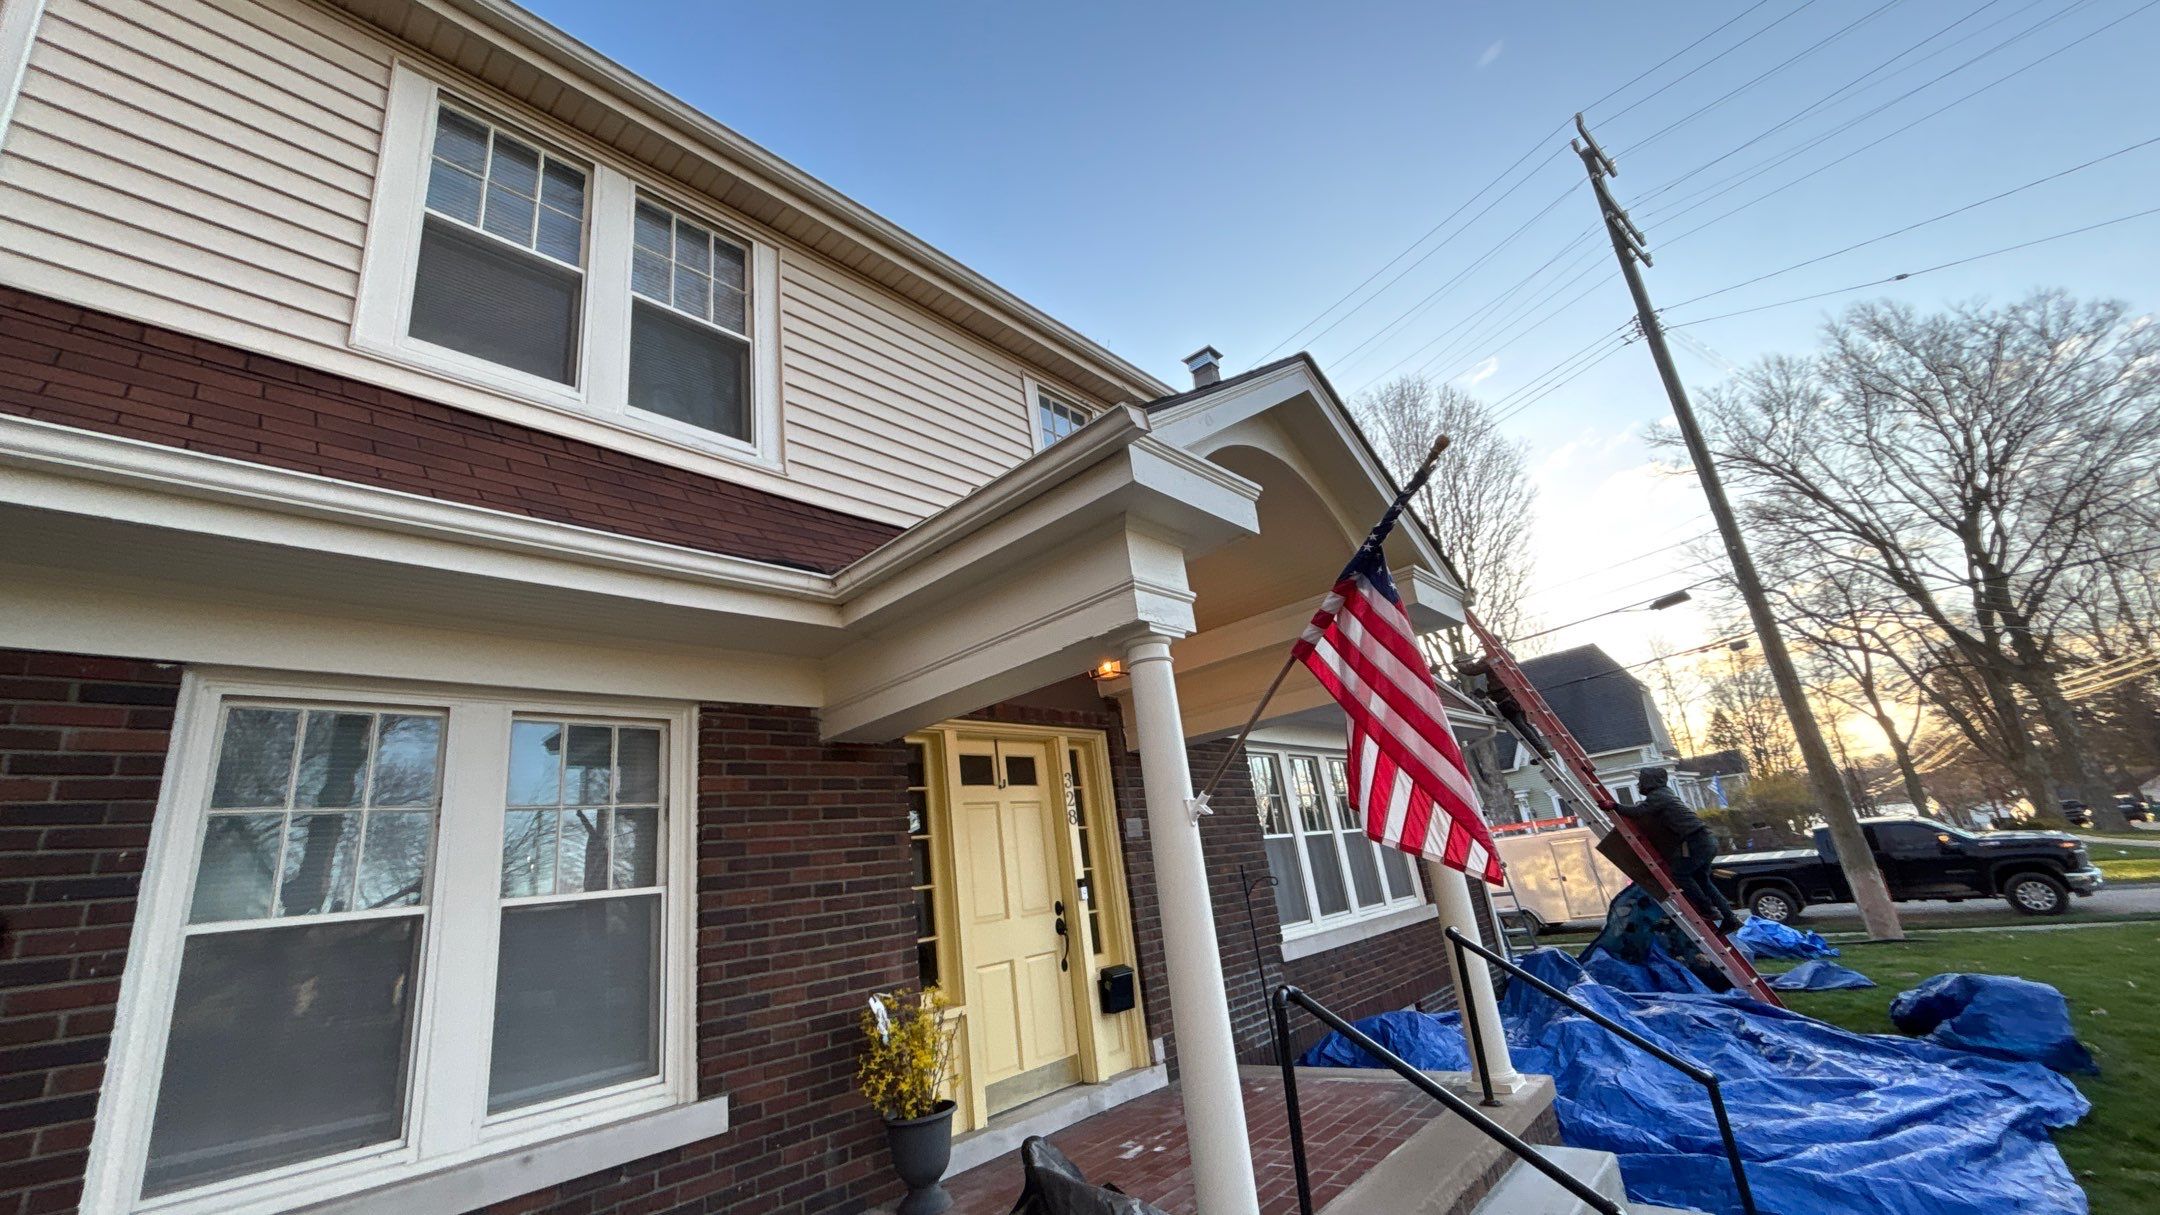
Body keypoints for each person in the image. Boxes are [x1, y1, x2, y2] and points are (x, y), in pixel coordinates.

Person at [1616, 766, 1742, 935]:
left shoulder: (1658, 796)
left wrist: (1614, 806)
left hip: (1696, 840)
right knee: (1703, 881)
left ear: (1650, 781)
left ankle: (1707, 909)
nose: (1639, 784)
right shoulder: (1664, 795)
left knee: (1680, 874)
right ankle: (1730, 918)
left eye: (1641, 781)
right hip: (1705, 839)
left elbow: (1638, 812)